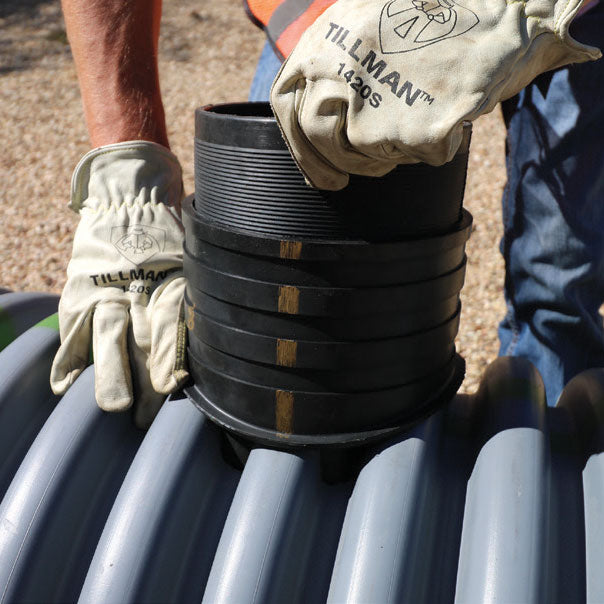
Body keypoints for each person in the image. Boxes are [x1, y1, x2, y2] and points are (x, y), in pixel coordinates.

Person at [52, 0, 601, 427]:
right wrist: (129, 178)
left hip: (577, 23)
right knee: (278, 303)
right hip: (336, 19)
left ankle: (543, 477)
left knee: (556, 282)